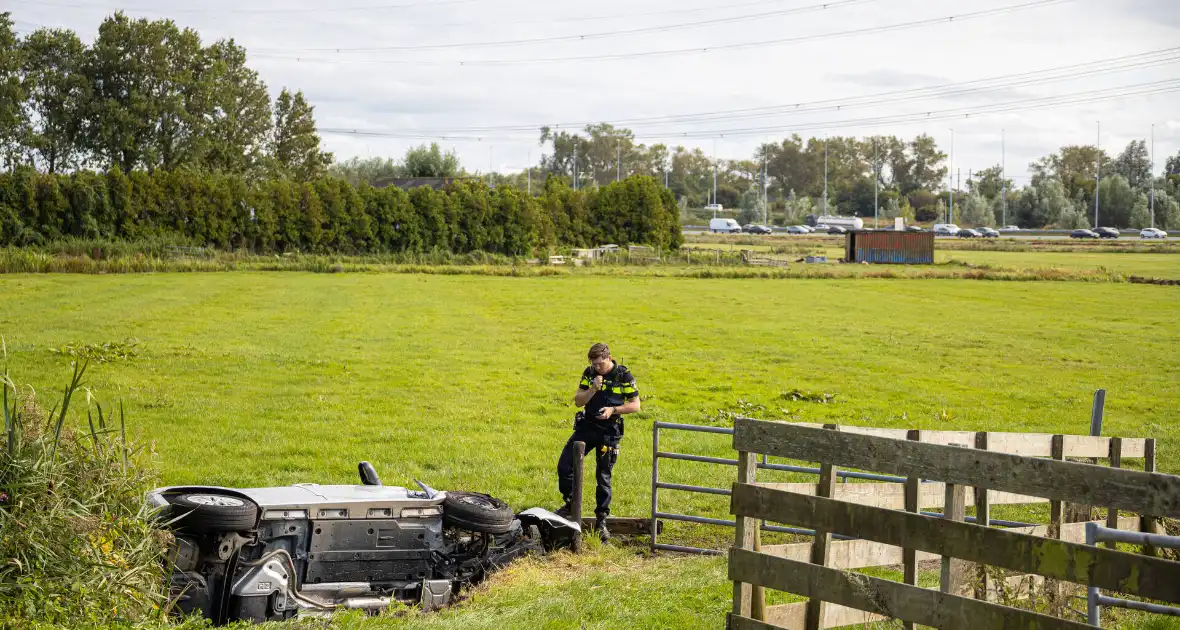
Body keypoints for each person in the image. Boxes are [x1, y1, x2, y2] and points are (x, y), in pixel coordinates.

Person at [556, 343, 641, 542]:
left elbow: (635, 405)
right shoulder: (590, 373)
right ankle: (570, 504)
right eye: (594, 364)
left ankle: (601, 521)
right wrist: (593, 389)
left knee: (603, 477)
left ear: (609, 358)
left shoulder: (623, 376)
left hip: (609, 431)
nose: (597, 367)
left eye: (600, 364)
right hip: (587, 427)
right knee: (565, 466)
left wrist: (614, 410)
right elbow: (578, 400)